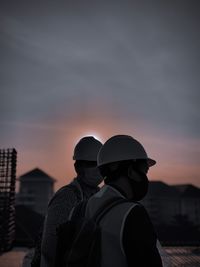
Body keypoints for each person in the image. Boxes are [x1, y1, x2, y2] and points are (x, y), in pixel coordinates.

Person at [85, 135, 163, 267]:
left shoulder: (81, 207)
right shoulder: (133, 213)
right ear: (131, 171)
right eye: (144, 171)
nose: (146, 179)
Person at [40, 136, 103, 267]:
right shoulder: (67, 197)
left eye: (100, 164)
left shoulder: (99, 195)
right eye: (91, 164)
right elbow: (49, 247)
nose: (97, 169)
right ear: (78, 167)